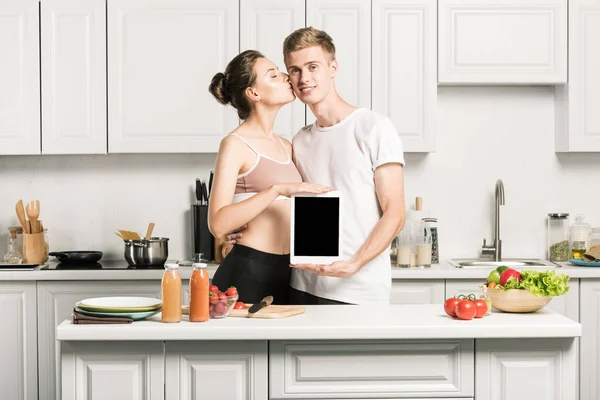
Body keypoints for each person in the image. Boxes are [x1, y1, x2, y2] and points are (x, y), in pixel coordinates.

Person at [227, 28, 406, 305]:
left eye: (313, 67)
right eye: (294, 70)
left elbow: (395, 213)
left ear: (333, 67)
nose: (304, 78)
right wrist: (238, 229)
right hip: (301, 285)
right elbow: (289, 203)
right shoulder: (300, 141)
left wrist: (354, 264)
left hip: (357, 288)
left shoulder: (373, 127)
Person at [207, 50, 331, 305]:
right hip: (249, 269)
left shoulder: (287, 145)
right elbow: (218, 224)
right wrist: (275, 190)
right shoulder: (235, 144)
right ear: (254, 93)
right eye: (273, 74)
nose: (287, 77)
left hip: (288, 272)